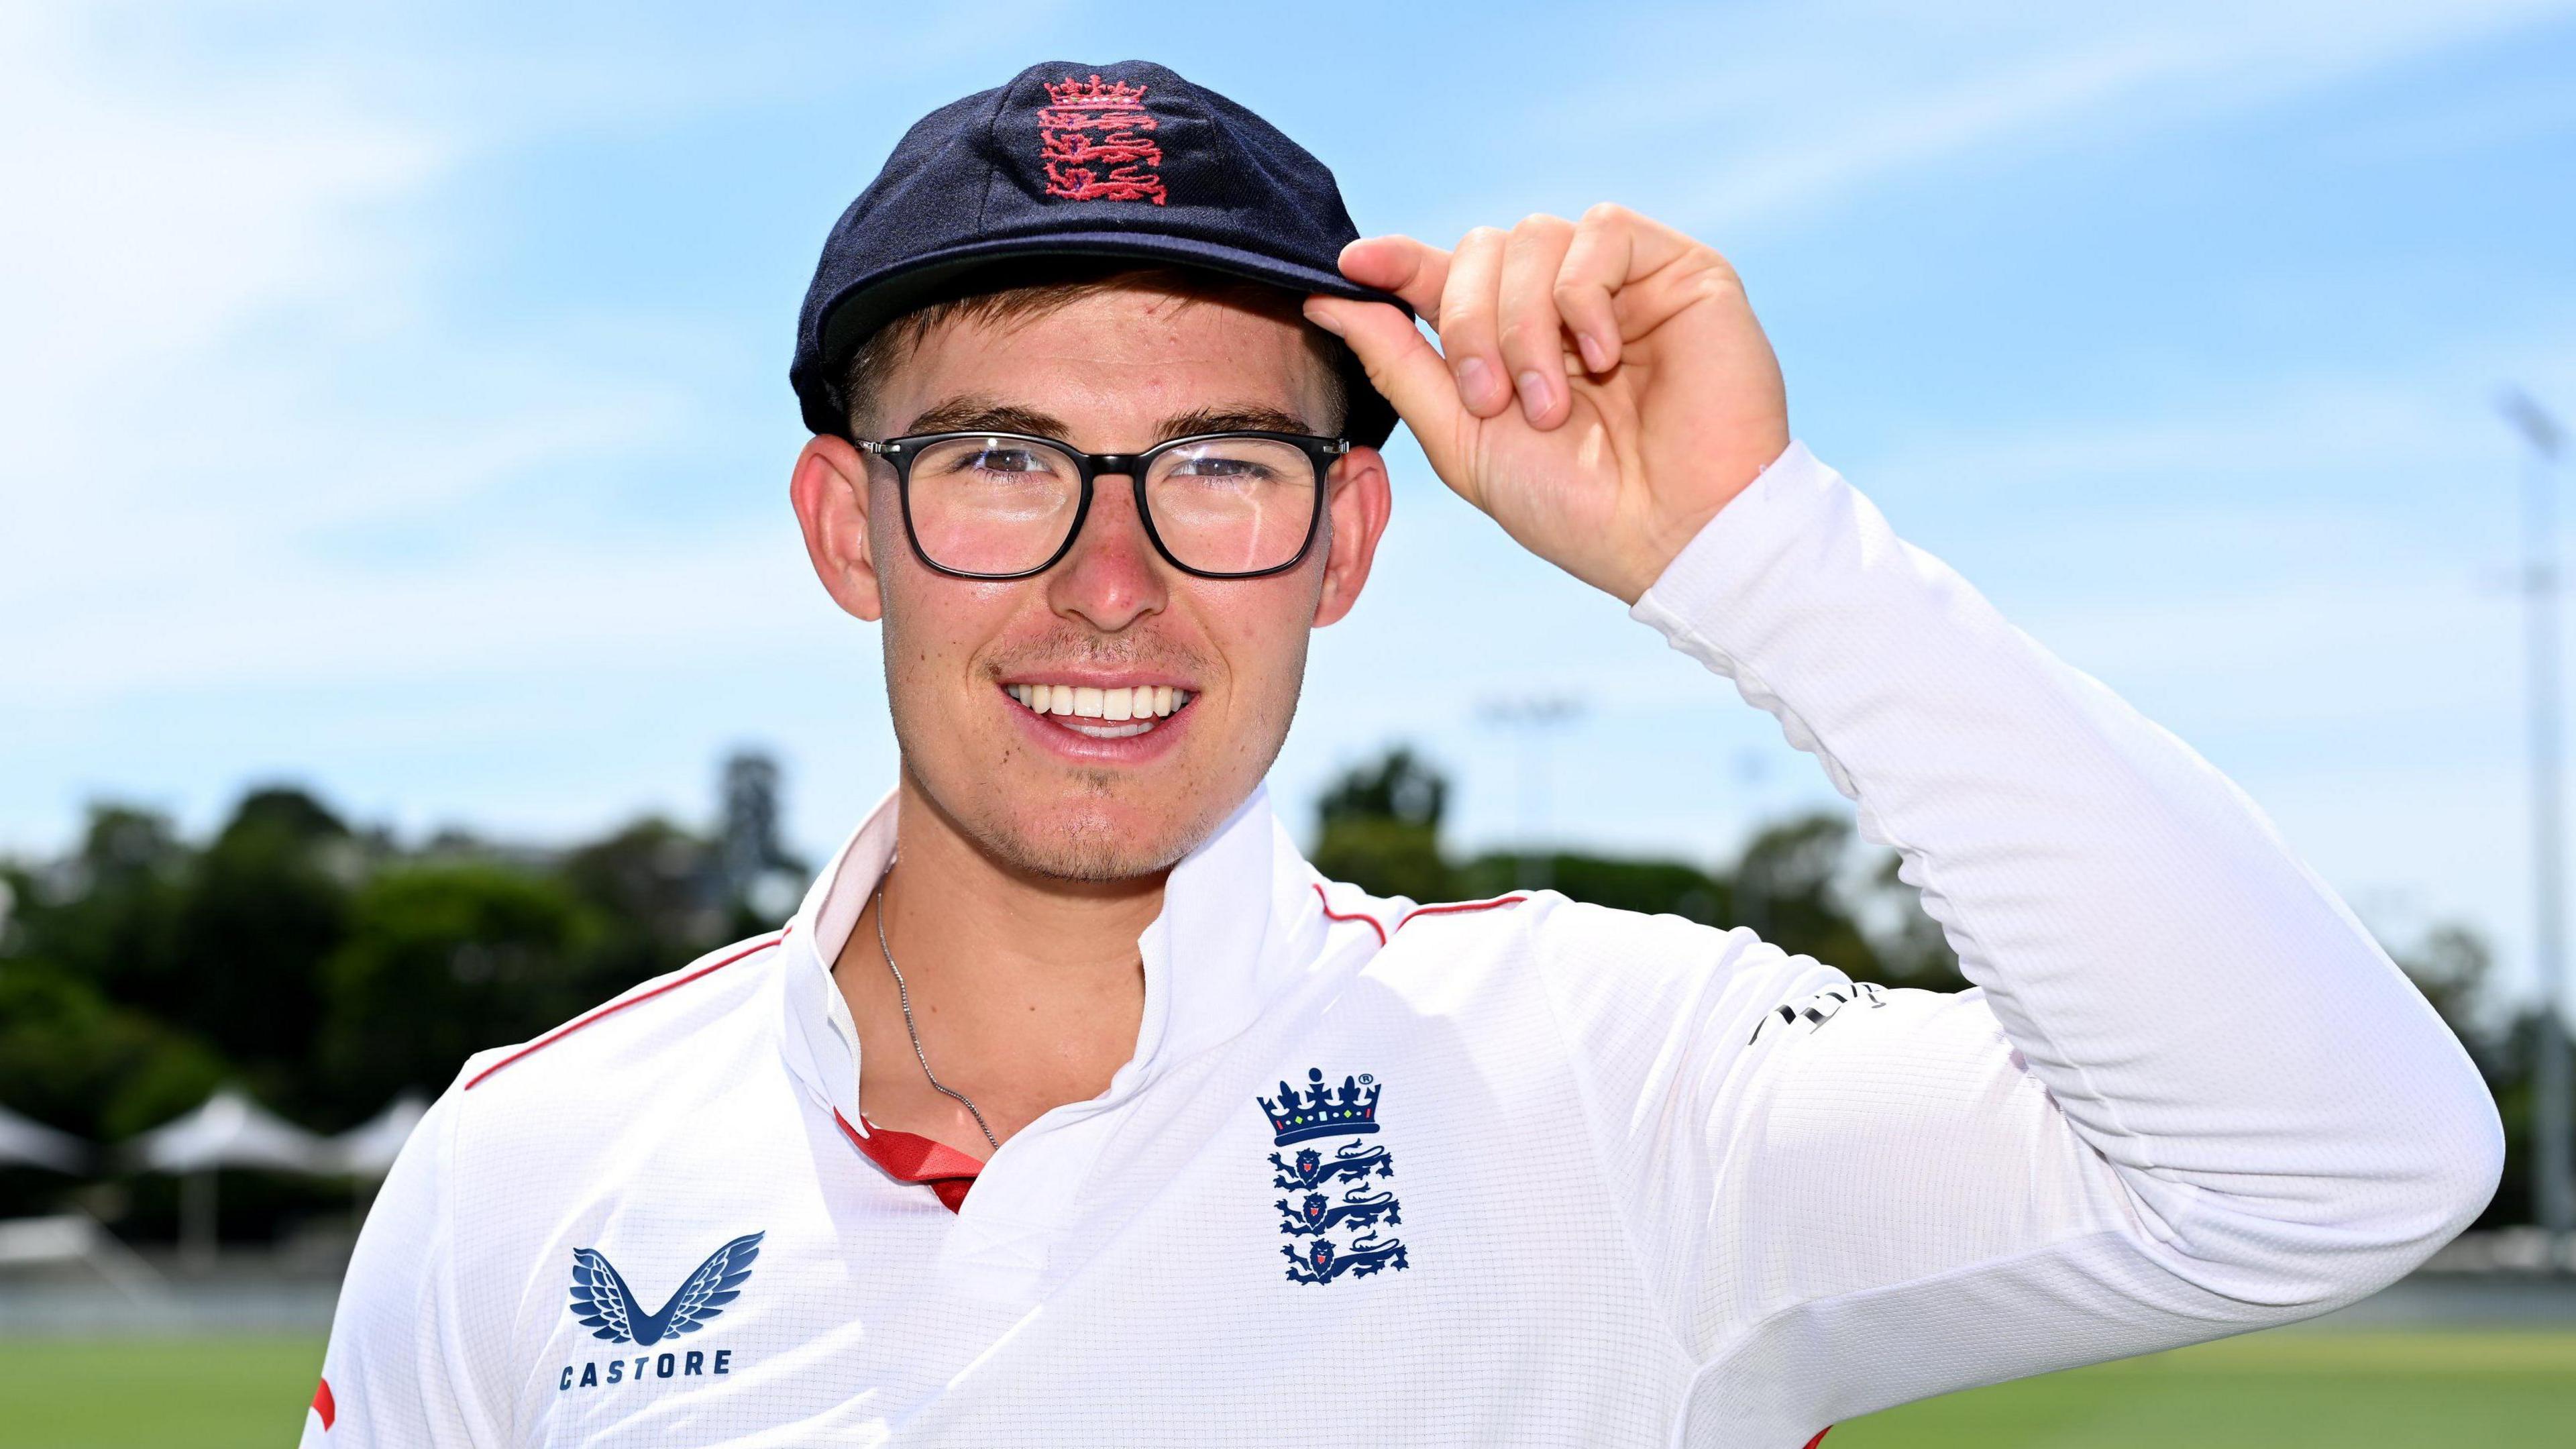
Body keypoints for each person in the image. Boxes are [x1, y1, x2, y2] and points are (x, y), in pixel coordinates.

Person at [302, 60, 2501, 1448]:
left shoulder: (1613, 1076)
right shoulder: (525, 1171)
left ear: (1350, 536)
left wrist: (1762, 558)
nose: (1109, 580)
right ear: (842, 528)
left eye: (1222, 468)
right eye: (998, 461)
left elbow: (2339, 1164)